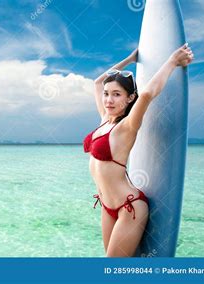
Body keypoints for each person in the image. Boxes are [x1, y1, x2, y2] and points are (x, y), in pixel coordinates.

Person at [83, 43, 194, 257]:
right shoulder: (104, 119)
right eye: (107, 94)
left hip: (130, 207)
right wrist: (130, 59)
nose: (108, 99)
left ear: (129, 98)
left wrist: (172, 61)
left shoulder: (127, 126)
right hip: (107, 205)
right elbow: (98, 82)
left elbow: (147, 95)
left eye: (116, 94)